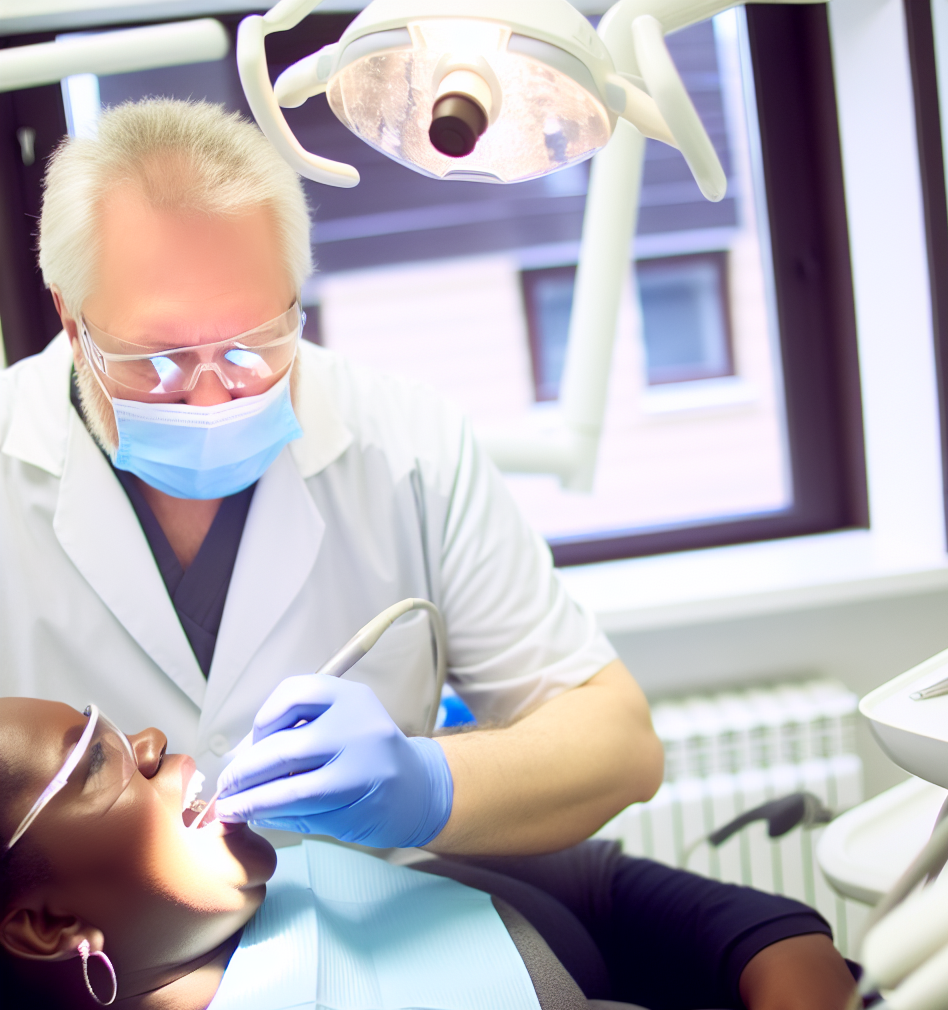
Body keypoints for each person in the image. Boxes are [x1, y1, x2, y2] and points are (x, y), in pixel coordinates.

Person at [0, 95, 661, 856]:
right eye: (159, 361)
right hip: (98, 969)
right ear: (70, 319)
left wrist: (432, 787)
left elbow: (620, 744)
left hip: (378, 941)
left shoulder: (410, 442)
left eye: (253, 346)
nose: (214, 397)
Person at [0, 698, 859, 1010]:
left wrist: (778, 948)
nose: (147, 740)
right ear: (48, 925)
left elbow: (596, 887)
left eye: (114, 725)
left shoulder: (305, 875)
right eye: (94, 763)